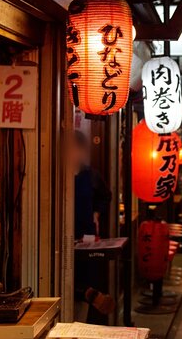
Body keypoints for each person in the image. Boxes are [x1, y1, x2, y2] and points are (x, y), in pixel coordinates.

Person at [71, 130, 114, 321]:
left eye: (76, 148)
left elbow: (106, 196)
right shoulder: (56, 175)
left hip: (86, 236)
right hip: (63, 238)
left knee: (85, 276)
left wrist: (96, 212)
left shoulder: (90, 175)